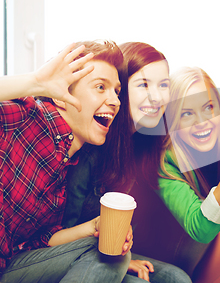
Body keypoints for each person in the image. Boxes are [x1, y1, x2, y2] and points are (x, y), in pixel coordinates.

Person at [0, 41, 132, 282]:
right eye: (101, 87)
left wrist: (95, 227)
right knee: (105, 254)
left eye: (116, 91)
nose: (115, 101)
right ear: (61, 97)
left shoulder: (67, 164)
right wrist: (36, 82)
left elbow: (38, 241)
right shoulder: (26, 118)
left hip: (11, 265)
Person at [62, 42, 191, 283]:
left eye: (164, 85)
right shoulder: (92, 143)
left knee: (177, 278)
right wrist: (120, 258)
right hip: (70, 253)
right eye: (143, 84)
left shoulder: (143, 141)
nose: (157, 96)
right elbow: (58, 233)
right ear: (122, 90)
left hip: (106, 251)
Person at [147, 67, 220, 282]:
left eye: (209, 108)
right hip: (173, 245)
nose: (202, 121)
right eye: (186, 113)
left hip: (219, 240)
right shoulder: (163, 161)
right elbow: (200, 229)